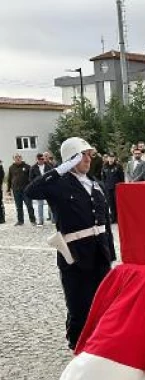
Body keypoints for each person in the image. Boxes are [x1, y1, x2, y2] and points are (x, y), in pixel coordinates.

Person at [25, 137, 115, 350]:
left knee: (101, 302)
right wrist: (59, 170)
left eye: (88, 155)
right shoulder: (59, 185)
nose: (87, 159)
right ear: (70, 159)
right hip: (74, 255)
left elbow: (105, 223)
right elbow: (31, 192)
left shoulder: (96, 184)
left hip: (99, 253)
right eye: (82, 155)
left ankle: (96, 343)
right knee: (79, 305)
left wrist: (110, 254)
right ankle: (76, 343)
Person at [6, 153, 35, 226]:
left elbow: (31, 178)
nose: (18, 158)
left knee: (29, 206)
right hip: (16, 190)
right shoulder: (11, 168)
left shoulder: (27, 166)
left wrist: (32, 187)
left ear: (21, 158)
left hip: (26, 190)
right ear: (14, 159)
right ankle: (20, 221)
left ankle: (33, 220)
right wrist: (8, 190)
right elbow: (9, 179)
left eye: (19, 157)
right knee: (19, 207)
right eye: (16, 157)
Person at [29, 153, 54, 226]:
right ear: (37, 159)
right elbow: (31, 179)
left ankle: (53, 220)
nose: (42, 160)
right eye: (40, 159)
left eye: (43, 159)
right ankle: (41, 221)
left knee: (51, 204)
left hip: (48, 187)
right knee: (40, 204)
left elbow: (53, 175)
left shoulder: (49, 166)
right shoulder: (33, 168)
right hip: (39, 188)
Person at [101, 153, 124, 223]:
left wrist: (120, 187)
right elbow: (103, 178)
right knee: (110, 204)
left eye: (112, 157)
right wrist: (105, 186)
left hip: (116, 188)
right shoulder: (104, 166)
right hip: (108, 188)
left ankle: (118, 218)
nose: (111, 159)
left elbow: (122, 178)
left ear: (114, 158)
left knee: (117, 203)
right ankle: (113, 218)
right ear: (107, 158)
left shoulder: (118, 166)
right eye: (110, 157)